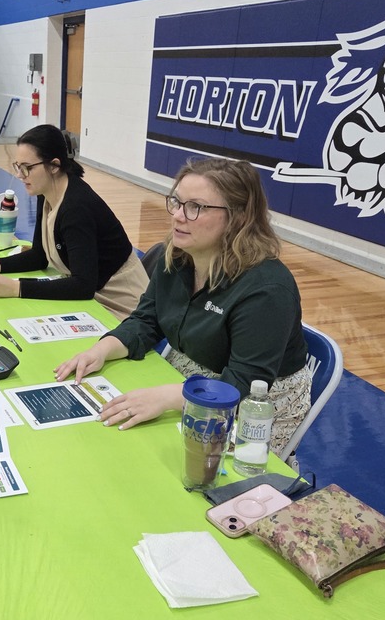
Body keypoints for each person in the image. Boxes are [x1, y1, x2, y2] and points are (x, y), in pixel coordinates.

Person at [54, 157, 312, 458]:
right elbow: (146, 320)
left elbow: (241, 384)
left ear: (238, 217)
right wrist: (100, 350)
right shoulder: (175, 255)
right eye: (176, 202)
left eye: (196, 207)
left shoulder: (268, 290)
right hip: (196, 372)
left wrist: (166, 397)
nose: (178, 215)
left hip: (259, 400)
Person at [0, 124, 149, 320]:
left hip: (126, 307)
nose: (20, 175)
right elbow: (39, 256)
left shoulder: (76, 207)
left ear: (55, 166)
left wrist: (17, 287)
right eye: (17, 166)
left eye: (27, 168)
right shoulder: (46, 192)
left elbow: (83, 286)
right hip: (96, 297)